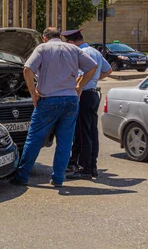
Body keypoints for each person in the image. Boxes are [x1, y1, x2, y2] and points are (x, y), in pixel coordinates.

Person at [10, 27, 97, 187]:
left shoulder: (43, 48)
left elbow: (27, 69)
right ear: (59, 36)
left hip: (48, 100)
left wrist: (33, 93)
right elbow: (92, 67)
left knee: (34, 139)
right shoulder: (73, 49)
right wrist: (79, 87)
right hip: (71, 100)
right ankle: (58, 179)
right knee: (65, 142)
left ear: (44, 38)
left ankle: (22, 176)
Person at [62, 29, 112, 180]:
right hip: (93, 93)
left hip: (83, 94)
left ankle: (85, 169)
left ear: (71, 42)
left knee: (82, 134)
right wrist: (93, 81)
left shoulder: (81, 54)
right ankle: (92, 166)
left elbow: (80, 76)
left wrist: (81, 86)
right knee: (91, 132)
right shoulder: (94, 51)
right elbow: (108, 70)